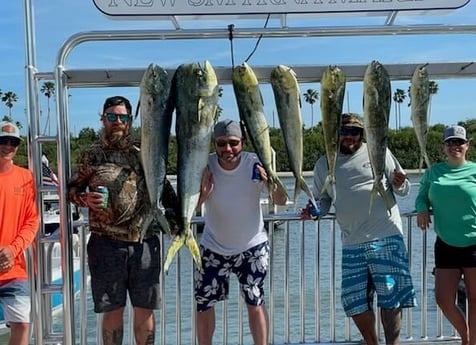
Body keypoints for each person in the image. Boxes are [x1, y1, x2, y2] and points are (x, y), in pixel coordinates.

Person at [67, 96, 179, 345]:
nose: (118, 122)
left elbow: (166, 191)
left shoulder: (145, 150)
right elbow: (71, 190)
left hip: (145, 242)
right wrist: (85, 200)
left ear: (130, 120)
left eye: (123, 117)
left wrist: (178, 221)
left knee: (145, 309)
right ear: (102, 118)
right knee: (112, 311)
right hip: (105, 245)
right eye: (112, 116)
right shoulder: (91, 154)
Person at [301, 113, 416, 345]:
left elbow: (404, 189)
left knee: (391, 299)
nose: (349, 137)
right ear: (335, 135)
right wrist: (315, 211)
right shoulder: (324, 163)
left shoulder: (379, 152)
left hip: (386, 236)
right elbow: (323, 200)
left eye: (354, 132)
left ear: (362, 134)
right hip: (352, 242)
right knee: (354, 302)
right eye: (344, 132)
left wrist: (401, 183)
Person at [195, 119, 287, 345]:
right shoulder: (204, 166)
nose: (228, 149)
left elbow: (281, 200)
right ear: (214, 144)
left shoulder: (255, 163)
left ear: (243, 143)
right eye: (221, 144)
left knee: (255, 300)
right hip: (213, 246)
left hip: (252, 247)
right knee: (204, 302)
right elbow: (189, 208)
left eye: (233, 143)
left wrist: (271, 182)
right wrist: (203, 196)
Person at [415, 124, 476, 345]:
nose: (455, 146)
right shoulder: (433, 172)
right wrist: (422, 209)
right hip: (446, 244)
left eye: (459, 142)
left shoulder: (475, 171)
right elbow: (421, 197)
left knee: (474, 299)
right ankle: (466, 336)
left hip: (474, 244)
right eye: (450, 142)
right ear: (444, 147)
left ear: (467, 145)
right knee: (443, 299)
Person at [0, 121, 39, 345]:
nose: (7, 145)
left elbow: (31, 221)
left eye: (13, 142)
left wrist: (12, 250)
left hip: (15, 269)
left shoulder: (26, 178)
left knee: (23, 325)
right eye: (2, 141)